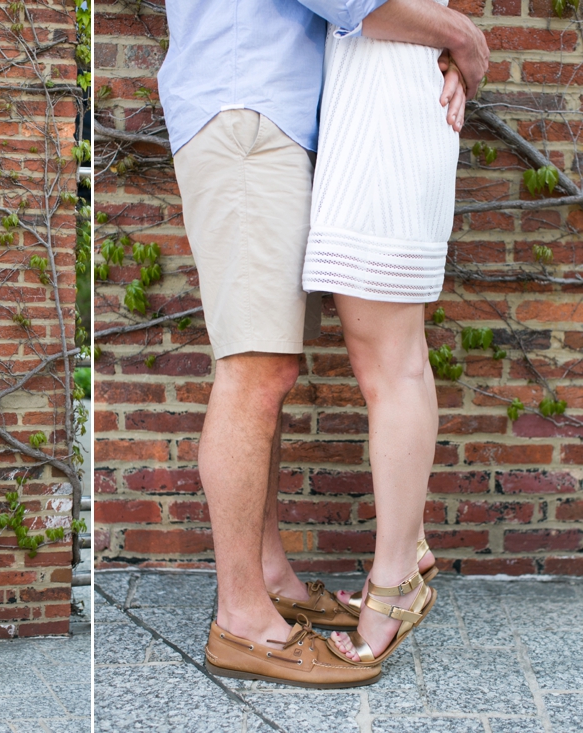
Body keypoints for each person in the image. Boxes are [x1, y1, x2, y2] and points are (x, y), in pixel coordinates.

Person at [157, 0, 488, 687]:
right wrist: (460, 36)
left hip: (277, 113)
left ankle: (270, 574)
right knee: (254, 369)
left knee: (270, 369)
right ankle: (243, 619)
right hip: (247, 104)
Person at [305, 7, 467, 666]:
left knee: (389, 366)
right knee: (401, 359)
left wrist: (463, 42)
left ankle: (395, 583)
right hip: (396, 98)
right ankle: (411, 547)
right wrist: (458, 39)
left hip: (384, 117)